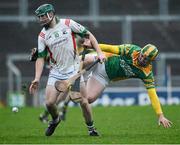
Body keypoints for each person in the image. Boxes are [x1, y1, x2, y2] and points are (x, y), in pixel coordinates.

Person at [29, 3, 106, 136]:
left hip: (74, 71)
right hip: (56, 72)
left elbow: (88, 34)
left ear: (51, 14)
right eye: (39, 17)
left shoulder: (68, 23)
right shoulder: (42, 36)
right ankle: (55, 119)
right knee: (49, 103)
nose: (41, 19)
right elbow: (41, 58)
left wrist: (99, 52)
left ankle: (91, 129)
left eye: (43, 16)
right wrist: (36, 78)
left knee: (83, 101)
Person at [84, 42, 172, 128]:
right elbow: (111, 48)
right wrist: (93, 46)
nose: (141, 59)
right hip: (102, 60)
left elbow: (153, 95)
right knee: (87, 60)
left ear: (151, 61)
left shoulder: (147, 73)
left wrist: (160, 115)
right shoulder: (131, 50)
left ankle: (80, 84)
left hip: (104, 77)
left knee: (88, 99)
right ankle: (71, 68)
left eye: (145, 59)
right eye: (141, 56)